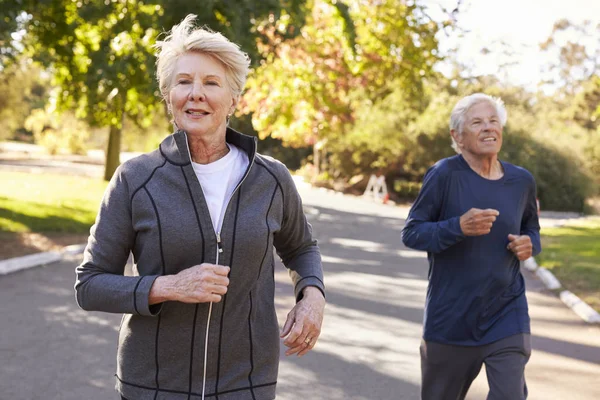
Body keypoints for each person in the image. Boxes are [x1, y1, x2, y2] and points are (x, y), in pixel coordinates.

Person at [75, 14, 325, 400]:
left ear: (233, 99)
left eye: (211, 83)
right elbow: (90, 285)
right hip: (153, 385)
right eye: (183, 82)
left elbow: (301, 247)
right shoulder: (135, 179)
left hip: (247, 383)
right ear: (169, 96)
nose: (196, 93)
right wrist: (168, 286)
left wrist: (312, 295)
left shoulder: (272, 179)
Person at [401, 93, 540, 400]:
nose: (489, 127)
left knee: (510, 395)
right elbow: (412, 232)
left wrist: (530, 244)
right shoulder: (443, 175)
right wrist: (458, 227)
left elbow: (531, 225)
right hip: (451, 318)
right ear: (457, 136)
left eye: (494, 120)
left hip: (506, 310)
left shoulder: (521, 181)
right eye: (477, 122)